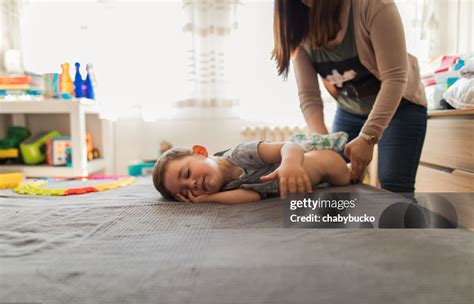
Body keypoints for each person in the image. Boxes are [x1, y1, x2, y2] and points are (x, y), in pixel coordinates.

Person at [273, 0, 428, 193]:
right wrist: (322, 143)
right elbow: (309, 96)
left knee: (393, 185)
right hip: (350, 110)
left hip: (400, 107)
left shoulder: (374, 6)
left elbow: (395, 78)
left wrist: (368, 136)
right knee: (333, 178)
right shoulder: (298, 26)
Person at [152, 133, 350, 204]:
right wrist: (206, 199)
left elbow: (289, 146)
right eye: (185, 191)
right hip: (313, 185)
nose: (192, 184)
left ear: (201, 152)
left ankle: (353, 166)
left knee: (347, 179)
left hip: (324, 163)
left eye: (186, 174)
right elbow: (252, 196)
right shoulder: (223, 188)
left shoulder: (242, 154)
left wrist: (290, 164)